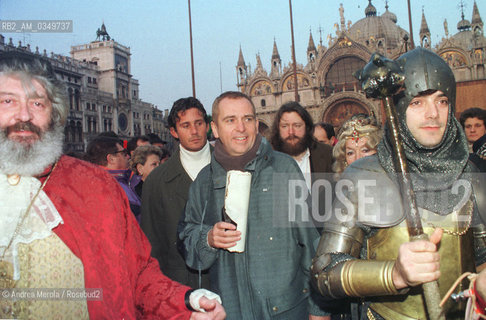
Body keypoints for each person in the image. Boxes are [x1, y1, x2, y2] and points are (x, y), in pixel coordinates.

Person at [0, 51, 225, 319]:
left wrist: (184, 303)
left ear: (54, 113)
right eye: (8, 101)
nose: (23, 116)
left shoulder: (96, 186)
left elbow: (138, 275)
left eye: (37, 103)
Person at [311, 47, 486, 319]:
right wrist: (394, 274)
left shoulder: (472, 172)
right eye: (418, 102)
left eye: (441, 101)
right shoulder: (363, 175)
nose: (433, 114)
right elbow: (324, 272)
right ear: (400, 107)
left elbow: (482, 257)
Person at [179, 91, 329, 319]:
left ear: (256, 124)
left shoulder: (283, 169)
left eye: (247, 119)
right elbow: (187, 242)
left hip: (285, 312)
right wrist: (208, 239)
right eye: (230, 120)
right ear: (215, 128)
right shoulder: (203, 182)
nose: (241, 128)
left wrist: (319, 310)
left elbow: (311, 244)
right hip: (231, 312)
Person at [141, 97, 212, 289]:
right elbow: (152, 245)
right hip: (181, 288)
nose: (194, 132)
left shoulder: (231, 168)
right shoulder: (156, 180)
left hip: (228, 284)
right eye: (186, 125)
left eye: (198, 123)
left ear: (207, 125)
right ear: (174, 131)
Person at [270, 101, 333, 191]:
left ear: (307, 127)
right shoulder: (268, 160)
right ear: (278, 129)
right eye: (285, 126)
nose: (291, 132)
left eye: (297, 126)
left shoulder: (328, 154)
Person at [85, 135, 142, 222]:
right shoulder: (115, 186)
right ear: (111, 159)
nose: (128, 157)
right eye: (123, 153)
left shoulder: (93, 181)